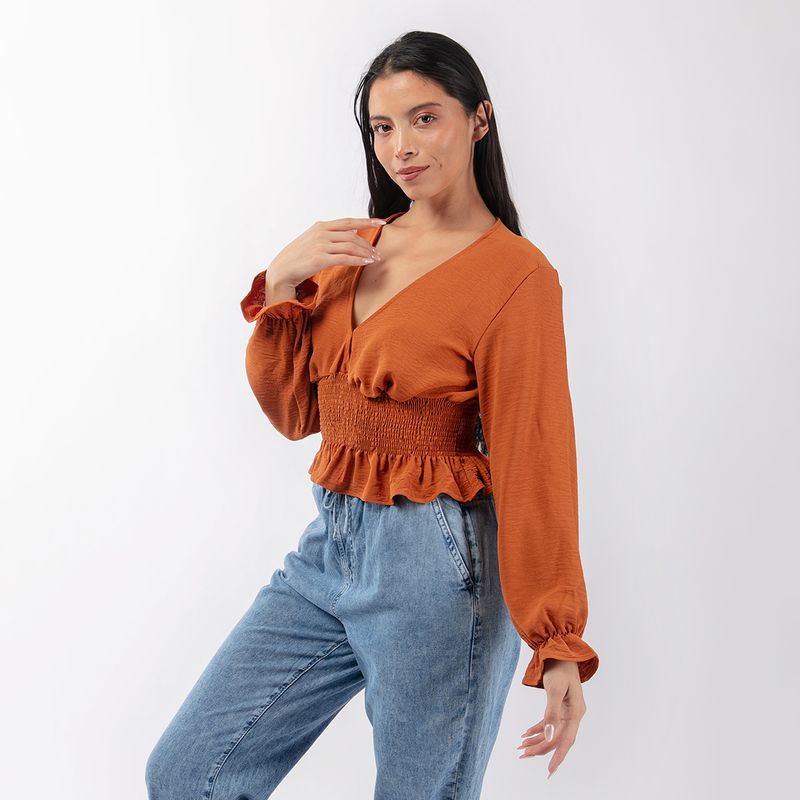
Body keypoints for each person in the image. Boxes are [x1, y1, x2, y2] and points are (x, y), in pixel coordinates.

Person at [145, 30, 599, 799]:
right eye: (383, 127)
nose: (401, 147)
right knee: (188, 774)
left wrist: (556, 640)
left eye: (425, 119)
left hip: (438, 569)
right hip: (329, 550)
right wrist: (282, 284)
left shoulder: (516, 276)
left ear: (479, 119)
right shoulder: (351, 247)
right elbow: (296, 413)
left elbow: (536, 455)